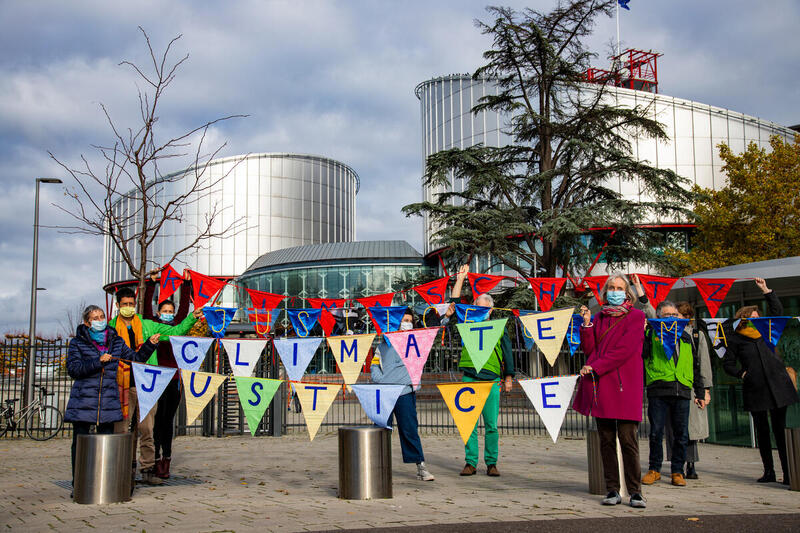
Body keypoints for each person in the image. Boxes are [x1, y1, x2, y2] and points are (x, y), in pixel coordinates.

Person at [109, 287, 202, 485]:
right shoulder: (110, 328)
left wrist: (192, 317)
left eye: (131, 304)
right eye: (125, 304)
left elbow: (176, 331)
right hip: (121, 385)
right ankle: (121, 470)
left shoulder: (147, 325)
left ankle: (148, 468)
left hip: (146, 384)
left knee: (147, 429)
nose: (128, 307)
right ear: (117, 305)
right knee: (122, 429)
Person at [65, 305, 159, 490]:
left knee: (106, 443)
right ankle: (79, 484)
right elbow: (74, 369)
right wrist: (97, 361)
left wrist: (149, 345)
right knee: (80, 444)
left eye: (102, 317)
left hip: (108, 400)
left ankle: (104, 484)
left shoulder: (116, 341)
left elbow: (135, 359)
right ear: (87, 322)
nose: (99, 320)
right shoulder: (78, 342)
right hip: (84, 400)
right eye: (95, 318)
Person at [573, 273, 647, 508]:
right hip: (602, 384)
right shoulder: (599, 317)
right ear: (606, 292)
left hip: (625, 385)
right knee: (606, 441)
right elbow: (590, 349)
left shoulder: (637, 317)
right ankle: (612, 489)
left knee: (628, 440)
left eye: (619, 288)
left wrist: (595, 366)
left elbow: (625, 350)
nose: (615, 291)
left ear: (627, 293)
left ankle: (635, 491)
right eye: (611, 288)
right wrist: (587, 325)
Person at [723, 278, 799, 485]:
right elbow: (728, 363)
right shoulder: (736, 338)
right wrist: (742, 374)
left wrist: (766, 290)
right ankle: (769, 471)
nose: (757, 319)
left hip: (778, 386)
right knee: (763, 432)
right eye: (752, 317)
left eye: (758, 317)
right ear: (743, 319)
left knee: (780, 431)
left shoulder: (767, 331)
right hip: (756, 389)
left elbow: (777, 310)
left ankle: (789, 473)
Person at [444, 265, 515, 477]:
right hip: (470, 378)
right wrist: (460, 278)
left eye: (484, 309)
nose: (479, 311)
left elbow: (508, 353)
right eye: (476, 308)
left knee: (491, 425)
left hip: (491, 380)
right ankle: (471, 462)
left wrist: (508, 377)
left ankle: (492, 463)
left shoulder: (499, 327)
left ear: (490, 310)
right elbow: (455, 302)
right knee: (469, 424)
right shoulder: (467, 322)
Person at [641, 300, 705, 487]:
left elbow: (694, 365)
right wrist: (644, 333)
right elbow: (642, 355)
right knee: (656, 432)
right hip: (659, 388)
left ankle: (678, 471)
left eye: (674, 315)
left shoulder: (686, 336)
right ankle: (654, 469)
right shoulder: (651, 333)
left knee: (681, 434)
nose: (671, 318)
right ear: (658, 317)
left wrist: (700, 391)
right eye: (667, 315)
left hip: (682, 388)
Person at [370, 308, 435, 481]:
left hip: (405, 392)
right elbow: (374, 365)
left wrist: (445, 316)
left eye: (410, 321)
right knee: (380, 430)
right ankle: (376, 467)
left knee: (409, 429)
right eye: (404, 320)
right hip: (385, 393)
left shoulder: (416, 342)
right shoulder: (384, 344)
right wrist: (380, 380)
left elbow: (433, 328)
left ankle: (420, 465)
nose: (407, 323)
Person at [664, 301, 713, 480]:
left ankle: (690, 463)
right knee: (672, 427)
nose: (675, 318)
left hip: (690, 386)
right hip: (669, 385)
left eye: (678, 315)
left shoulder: (696, 335)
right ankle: (676, 464)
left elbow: (703, 363)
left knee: (689, 428)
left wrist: (705, 389)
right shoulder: (665, 333)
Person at [150, 300, 185, 479]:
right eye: (165, 310)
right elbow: (145, 308)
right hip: (157, 378)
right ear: (158, 313)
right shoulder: (153, 327)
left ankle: (167, 458)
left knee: (168, 421)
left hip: (174, 379)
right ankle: (155, 458)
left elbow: (184, 308)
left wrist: (186, 287)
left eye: (171, 311)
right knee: (157, 421)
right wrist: (150, 286)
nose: (168, 314)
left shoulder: (177, 328)